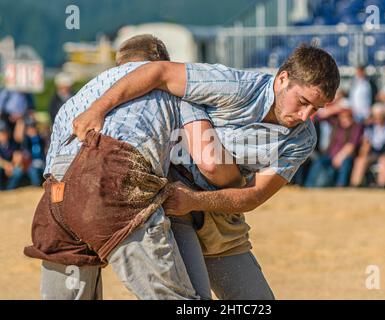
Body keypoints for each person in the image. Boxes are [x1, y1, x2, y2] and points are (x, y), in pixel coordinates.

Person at [72, 43, 340, 299]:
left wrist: (197, 200)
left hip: (219, 210)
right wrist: (97, 110)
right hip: (173, 197)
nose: (306, 116)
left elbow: (255, 195)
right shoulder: (235, 86)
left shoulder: (304, 138)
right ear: (282, 79)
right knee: (193, 300)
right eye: (303, 102)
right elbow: (159, 72)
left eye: (316, 109)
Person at [27, 34, 243, 300]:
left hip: (56, 198)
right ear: (161, 63)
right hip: (111, 182)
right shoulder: (169, 84)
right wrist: (238, 185)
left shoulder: (81, 95)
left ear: (119, 64)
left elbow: (51, 164)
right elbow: (210, 162)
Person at [305, 105, 363, 187]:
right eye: (342, 116)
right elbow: (319, 117)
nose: (344, 119)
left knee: (346, 163)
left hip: (346, 156)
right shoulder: (336, 123)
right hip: (330, 155)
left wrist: (340, 157)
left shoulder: (357, 127)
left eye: (347, 117)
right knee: (318, 162)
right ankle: (308, 185)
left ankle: (340, 187)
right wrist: (335, 109)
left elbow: (351, 145)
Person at [350, 103, 385, 188]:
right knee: (360, 160)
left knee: (383, 160)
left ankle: (381, 186)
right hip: (373, 153)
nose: (377, 118)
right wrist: (364, 154)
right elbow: (366, 143)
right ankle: (355, 185)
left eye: (380, 116)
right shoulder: (370, 127)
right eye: (375, 116)